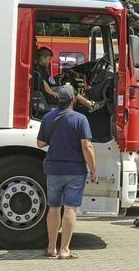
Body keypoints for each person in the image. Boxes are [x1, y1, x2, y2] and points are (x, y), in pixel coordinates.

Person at [36, 84, 97, 259]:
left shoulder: (48, 118)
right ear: (73, 100)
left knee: (54, 208)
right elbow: (87, 146)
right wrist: (93, 170)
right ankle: (64, 250)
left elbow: (40, 143)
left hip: (53, 169)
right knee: (70, 208)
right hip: (75, 170)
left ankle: (50, 248)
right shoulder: (80, 119)